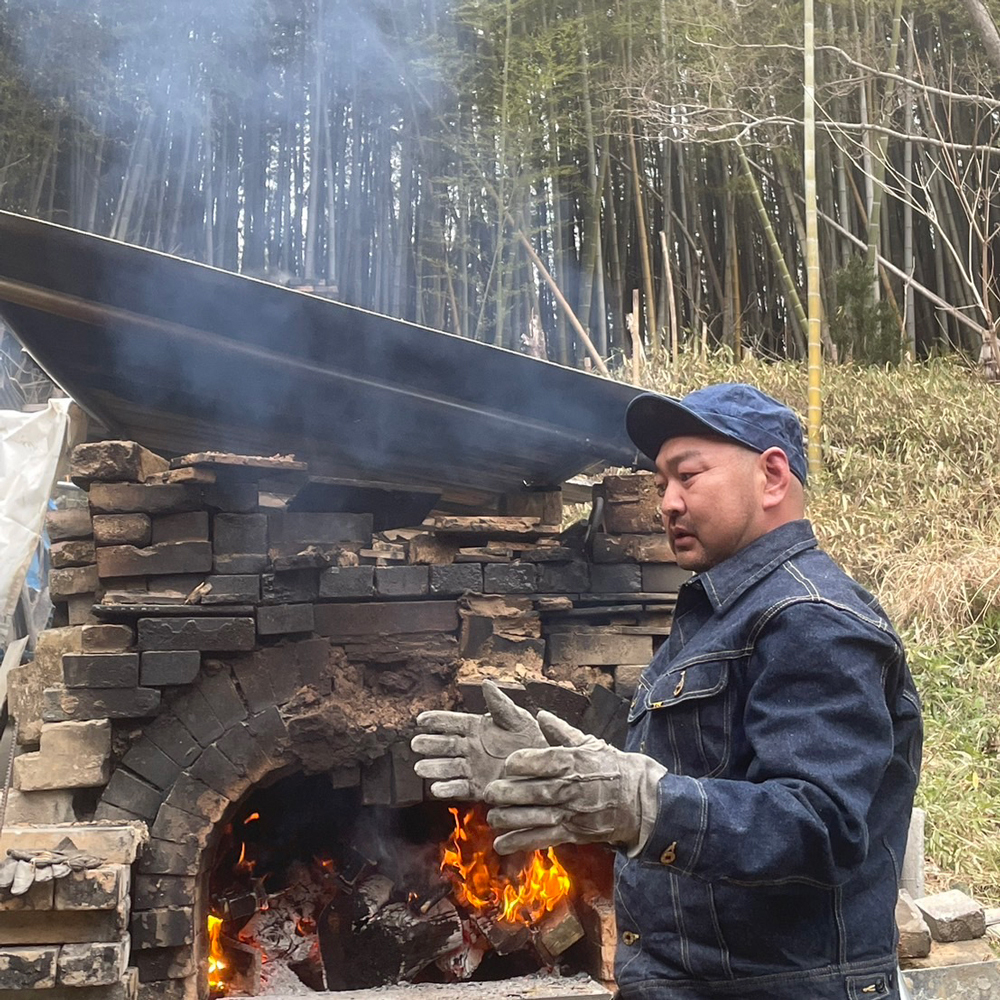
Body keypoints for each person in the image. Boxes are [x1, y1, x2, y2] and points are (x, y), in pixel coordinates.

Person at [413, 383, 922, 1000]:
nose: (668, 504)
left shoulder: (810, 617)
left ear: (771, 476)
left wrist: (642, 804)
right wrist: (564, 768)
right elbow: (698, 776)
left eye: (688, 476)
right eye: (661, 486)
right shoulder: (718, 614)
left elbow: (820, 825)